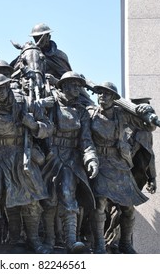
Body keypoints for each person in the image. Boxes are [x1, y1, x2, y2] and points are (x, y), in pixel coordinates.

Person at [0, 73, 53, 254]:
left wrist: (32, 124)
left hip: (22, 154)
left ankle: (34, 241)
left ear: (8, 86)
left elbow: (48, 128)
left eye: (2, 87)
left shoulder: (26, 103)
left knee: (31, 200)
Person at [88, 82, 156, 254]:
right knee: (100, 202)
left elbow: (148, 127)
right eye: (100, 93)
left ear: (114, 98)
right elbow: (84, 139)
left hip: (119, 164)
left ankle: (125, 243)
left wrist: (146, 112)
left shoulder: (121, 114)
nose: (102, 96)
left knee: (128, 207)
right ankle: (99, 246)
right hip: (100, 162)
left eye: (106, 94)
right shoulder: (90, 113)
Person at [40, 71, 99, 254]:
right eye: (74, 85)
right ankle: (49, 241)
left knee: (67, 194)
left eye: (80, 85)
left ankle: (71, 241)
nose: (78, 89)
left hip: (71, 157)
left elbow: (86, 140)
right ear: (64, 86)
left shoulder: (81, 111)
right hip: (51, 155)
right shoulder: (51, 104)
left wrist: (91, 158)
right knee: (49, 199)